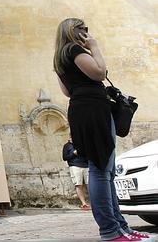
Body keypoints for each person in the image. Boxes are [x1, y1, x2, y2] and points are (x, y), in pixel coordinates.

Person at [54, 18, 150, 241]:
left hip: (79, 110)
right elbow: (99, 72)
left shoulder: (59, 57)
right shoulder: (74, 49)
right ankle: (111, 231)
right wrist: (94, 47)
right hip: (94, 111)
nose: (87, 32)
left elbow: (67, 92)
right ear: (73, 31)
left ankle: (121, 227)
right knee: (101, 170)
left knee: (104, 170)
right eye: (83, 29)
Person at [62, 138, 90, 210]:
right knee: (78, 185)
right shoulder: (67, 146)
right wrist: (73, 154)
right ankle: (83, 203)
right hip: (74, 166)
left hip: (86, 166)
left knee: (90, 184)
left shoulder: (81, 144)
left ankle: (94, 202)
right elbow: (65, 157)